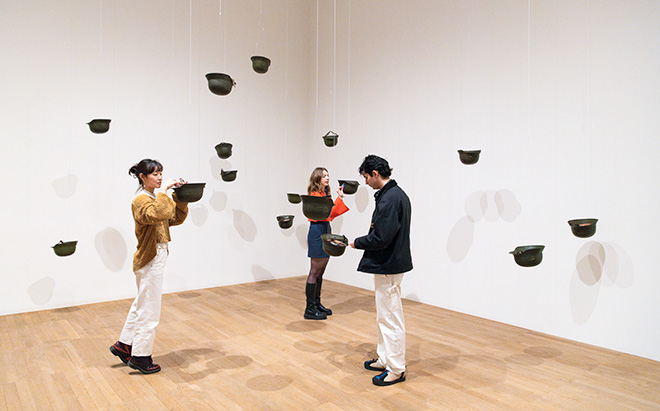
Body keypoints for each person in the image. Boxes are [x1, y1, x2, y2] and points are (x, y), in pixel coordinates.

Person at [110, 159, 189, 374]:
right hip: (150, 257)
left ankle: (124, 345)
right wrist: (164, 191)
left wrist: (180, 197)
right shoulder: (141, 200)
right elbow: (158, 213)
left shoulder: (154, 198)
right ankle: (141, 357)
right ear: (142, 177)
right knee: (150, 308)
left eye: (161, 173)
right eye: (154, 174)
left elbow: (173, 217)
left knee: (143, 302)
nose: (160, 177)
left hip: (157, 255)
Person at [349, 155, 412, 386]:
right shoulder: (395, 195)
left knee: (391, 318)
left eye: (366, 177)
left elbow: (381, 237)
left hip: (389, 264)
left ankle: (396, 369)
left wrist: (356, 242)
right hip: (390, 263)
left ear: (375, 173)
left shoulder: (390, 199)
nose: (365, 182)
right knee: (384, 315)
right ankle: (385, 358)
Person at [304, 167, 349, 320]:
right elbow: (326, 214)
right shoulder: (315, 195)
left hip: (324, 230)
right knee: (314, 272)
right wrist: (337, 200)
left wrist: (339, 198)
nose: (327, 178)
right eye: (324, 176)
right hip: (317, 232)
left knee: (320, 272)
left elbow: (330, 215)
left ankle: (316, 304)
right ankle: (309, 309)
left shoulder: (323, 194)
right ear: (317, 178)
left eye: (328, 175)